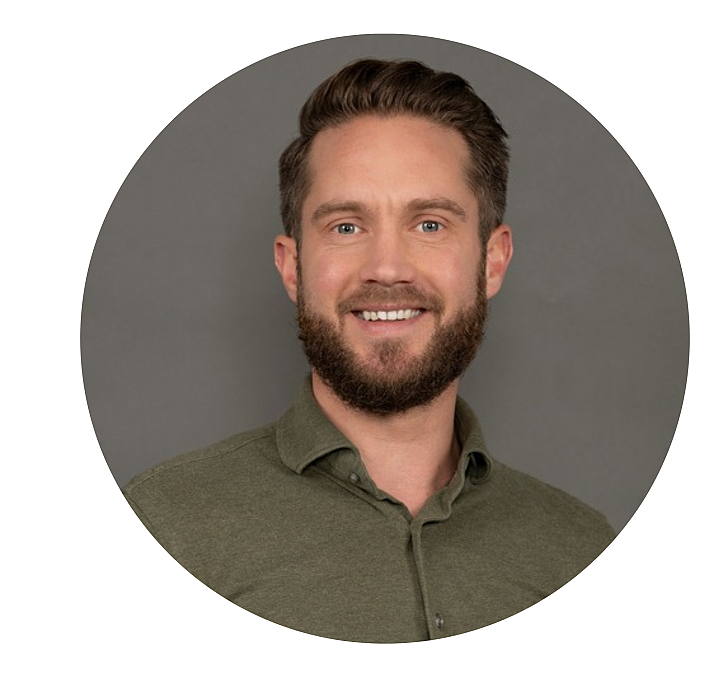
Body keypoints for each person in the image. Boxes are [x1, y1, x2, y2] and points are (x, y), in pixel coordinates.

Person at [122, 58, 613, 643]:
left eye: (429, 225)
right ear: (292, 266)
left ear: (493, 261)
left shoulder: (586, 556)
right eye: (346, 227)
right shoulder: (158, 533)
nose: (386, 267)